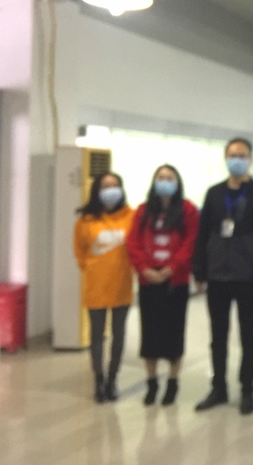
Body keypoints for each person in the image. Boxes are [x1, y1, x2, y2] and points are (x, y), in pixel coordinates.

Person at [192, 138, 253, 415]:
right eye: (232, 155)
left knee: (247, 335)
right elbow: (203, 233)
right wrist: (199, 270)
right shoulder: (214, 193)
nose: (236, 160)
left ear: (250, 159)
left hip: (247, 276)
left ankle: (247, 390)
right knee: (218, 335)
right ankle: (219, 388)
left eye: (242, 155)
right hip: (217, 275)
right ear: (225, 158)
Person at [126, 164, 200, 406]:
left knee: (173, 333)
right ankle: (151, 383)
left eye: (169, 178)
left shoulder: (188, 210)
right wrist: (145, 269)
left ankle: (173, 382)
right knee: (150, 334)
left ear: (177, 183)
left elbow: (191, 242)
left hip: (175, 282)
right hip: (149, 281)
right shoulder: (143, 211)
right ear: (154, 181)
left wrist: (172, 268)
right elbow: (133, 243)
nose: (165, 181)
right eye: (160, 177)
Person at [73, 172, 135, 403]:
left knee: (119, 335)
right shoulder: (85, 221)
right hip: (96, 287)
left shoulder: (131, 216)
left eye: (114, 186)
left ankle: (112, 379)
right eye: (105, 186)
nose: (110, 191)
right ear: (97, 191)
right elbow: (80, 253)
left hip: (122, 285)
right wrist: (94, 268)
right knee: (96, 336)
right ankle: (98, 380)